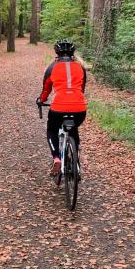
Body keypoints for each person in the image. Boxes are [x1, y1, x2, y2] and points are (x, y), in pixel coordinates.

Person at [36, 38, 87, 175]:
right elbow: (81, 89)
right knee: (74, 129)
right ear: (73, 53)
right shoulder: (80, 67)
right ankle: (75, 163)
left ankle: (57, 158)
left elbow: (46, 90)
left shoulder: (52, 67)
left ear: (57, 53)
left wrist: (41, 100)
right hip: (79, 107)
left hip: (58, 107)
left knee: (52, 130)